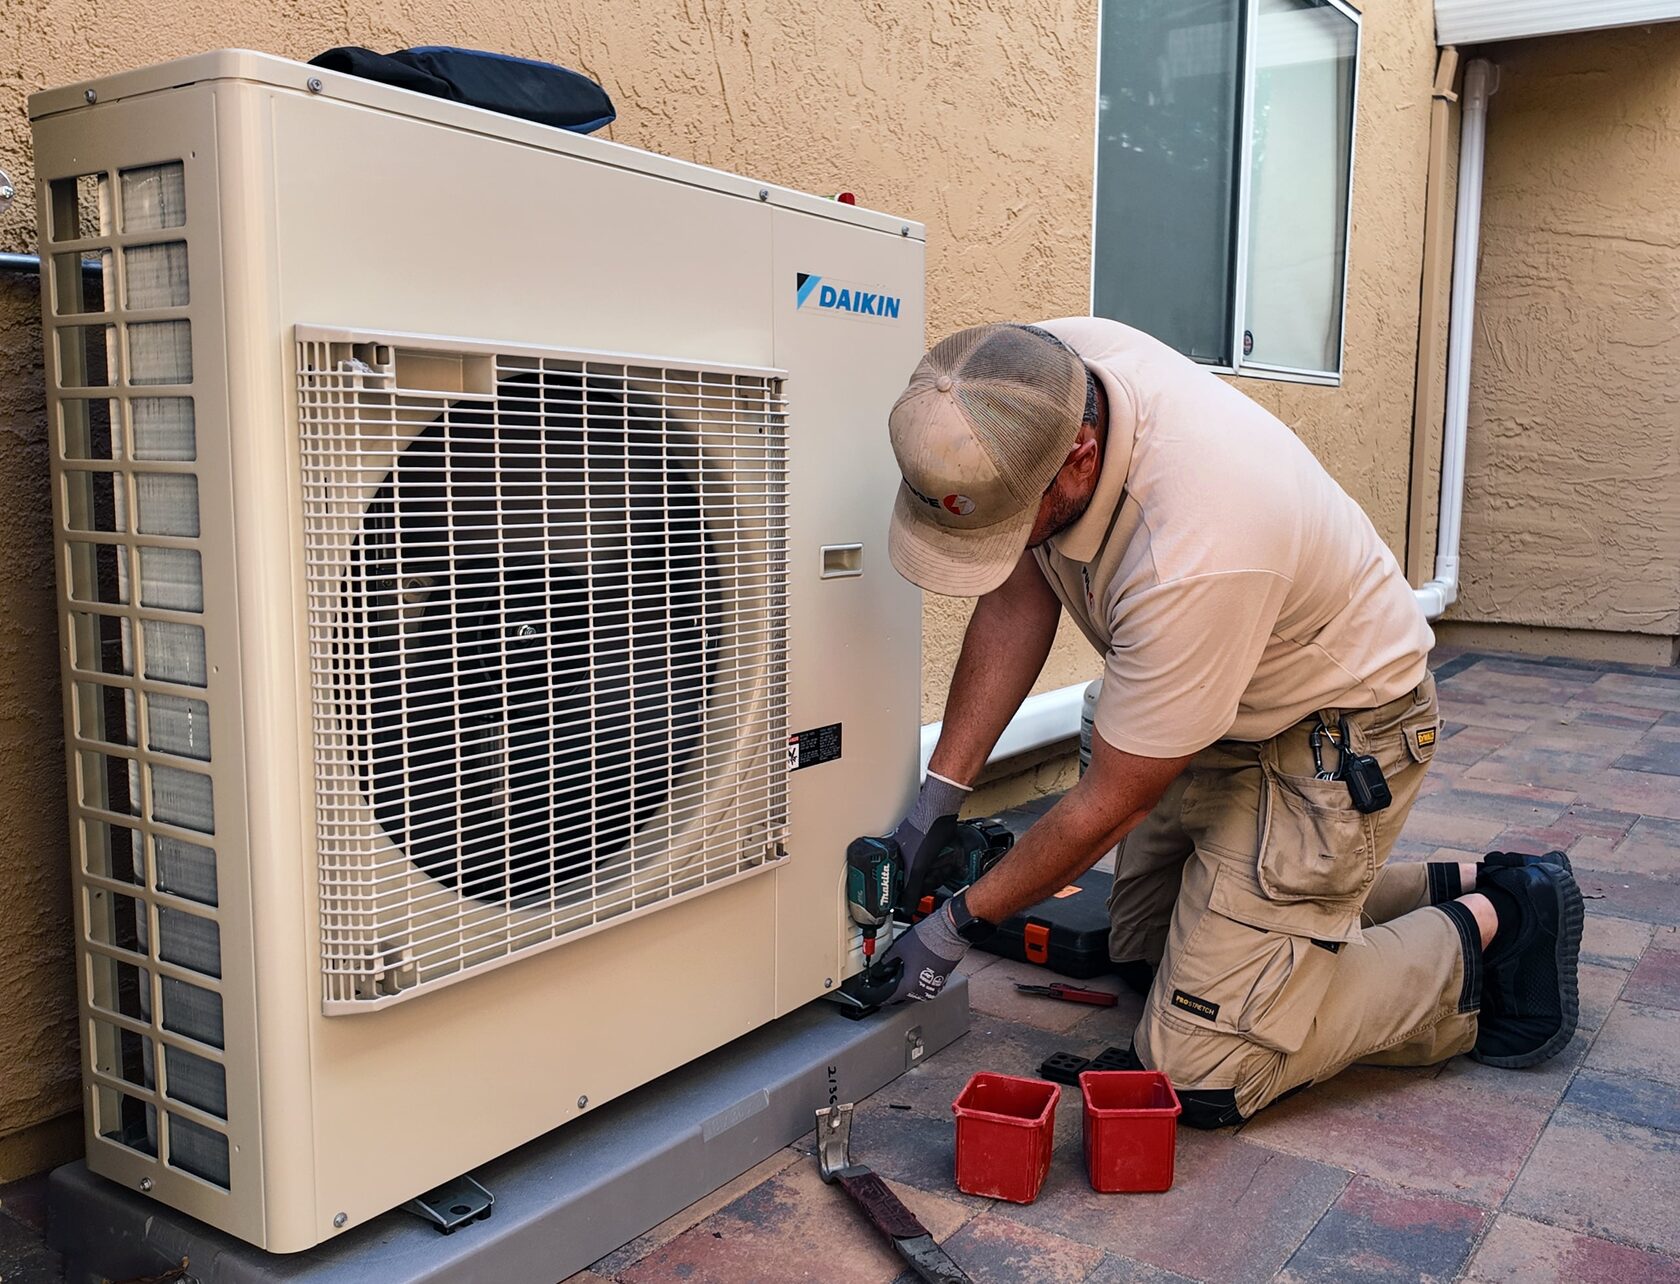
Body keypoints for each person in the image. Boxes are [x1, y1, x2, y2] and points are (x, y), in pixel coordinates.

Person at [875, 320, 1584, 1128]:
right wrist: (939, 796)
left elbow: (1114, 801)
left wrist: (956, 926)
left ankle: (1499, 924)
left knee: (1199, 1065)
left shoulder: (1196, 545)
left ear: (1078, 457)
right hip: (1217, 704)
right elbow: (1017, 577)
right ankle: (1437, 886)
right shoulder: (1023, 381)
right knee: (1142, 957)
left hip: (1339, 734)